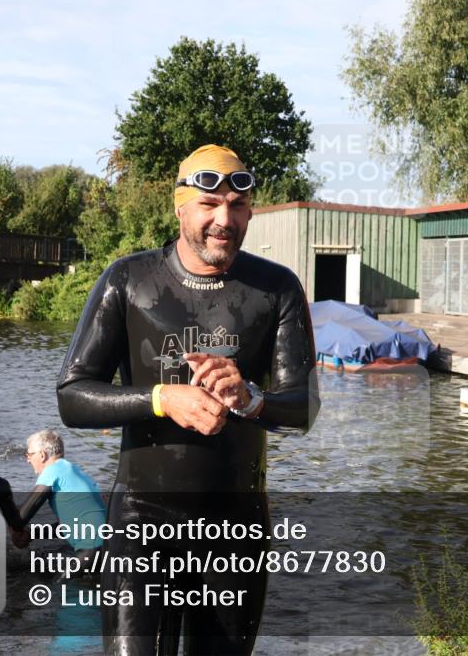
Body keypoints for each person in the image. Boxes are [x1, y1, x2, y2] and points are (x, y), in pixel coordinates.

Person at [56, 144, 319, 655]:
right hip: (142, 520)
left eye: (238, 207)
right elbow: (73, 396)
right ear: (180, 207)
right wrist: (159, 398)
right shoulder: (128, 281)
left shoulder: (276, 289)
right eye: (209, 204)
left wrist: (252, 398)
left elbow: (304, 407)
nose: (225, 220)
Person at [17, 429, 106, 557]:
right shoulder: (73, 471)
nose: (28, 460)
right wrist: (32, 534)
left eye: (29, 455)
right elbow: (67, 525)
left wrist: (12, 527)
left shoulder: (52, 472)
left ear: (42, 455)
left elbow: (21, 517)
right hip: (107, 545)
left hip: (91, 548)